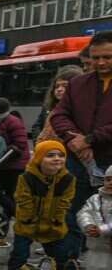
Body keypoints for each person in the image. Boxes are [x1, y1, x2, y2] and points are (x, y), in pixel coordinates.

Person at [48, 32, 112, 253]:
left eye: (107, 57)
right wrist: (74, 140)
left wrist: (89, 140)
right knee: (73, 213)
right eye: (96, 58)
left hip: (108, 160)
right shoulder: (78, 83)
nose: (101, 62)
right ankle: (68, 269)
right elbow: (59, 115)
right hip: (78, 161)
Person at [0, 140, 75, 270]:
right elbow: (22, 198)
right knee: (20, 254)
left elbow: (65, 202)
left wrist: (57, 219)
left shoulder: (68, 179)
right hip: (28, 223)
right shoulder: (27, 177)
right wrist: (28, 218)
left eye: (61, 155)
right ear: (39, 159)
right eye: (50, 155)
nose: (56, 159)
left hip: (53, 224)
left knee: (60, 256)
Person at [77, 167, 112, 270]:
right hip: (100, 247)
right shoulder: (95, 199)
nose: (111, 183)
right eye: (108, 179)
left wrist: (101, 230)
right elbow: (84, 213)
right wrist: (88, 225)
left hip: (105, 239)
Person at [33, 65, 82, 140]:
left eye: (65, 86)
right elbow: (36, 127)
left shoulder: (83, 109)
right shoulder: (49, 107)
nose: (59, 89)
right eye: (57, 86)